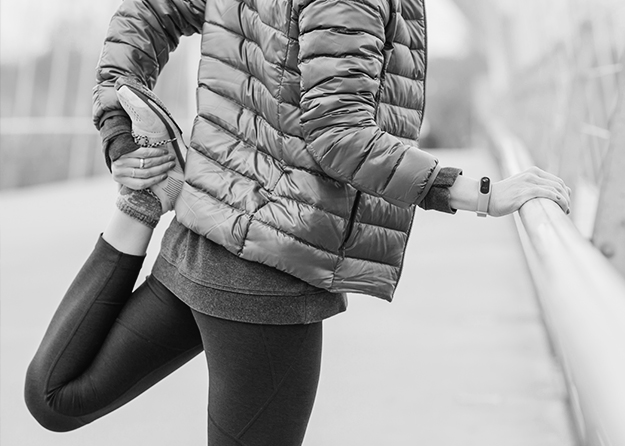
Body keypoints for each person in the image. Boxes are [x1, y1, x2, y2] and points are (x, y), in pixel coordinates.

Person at [24, 0, 572, 443]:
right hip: (269, 276)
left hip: (197, 243)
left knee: (57, 394)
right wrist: (480, 193)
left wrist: (121, 129)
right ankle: (146, 198)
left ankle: (143, 204)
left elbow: (145, 12)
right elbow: (340, 136)